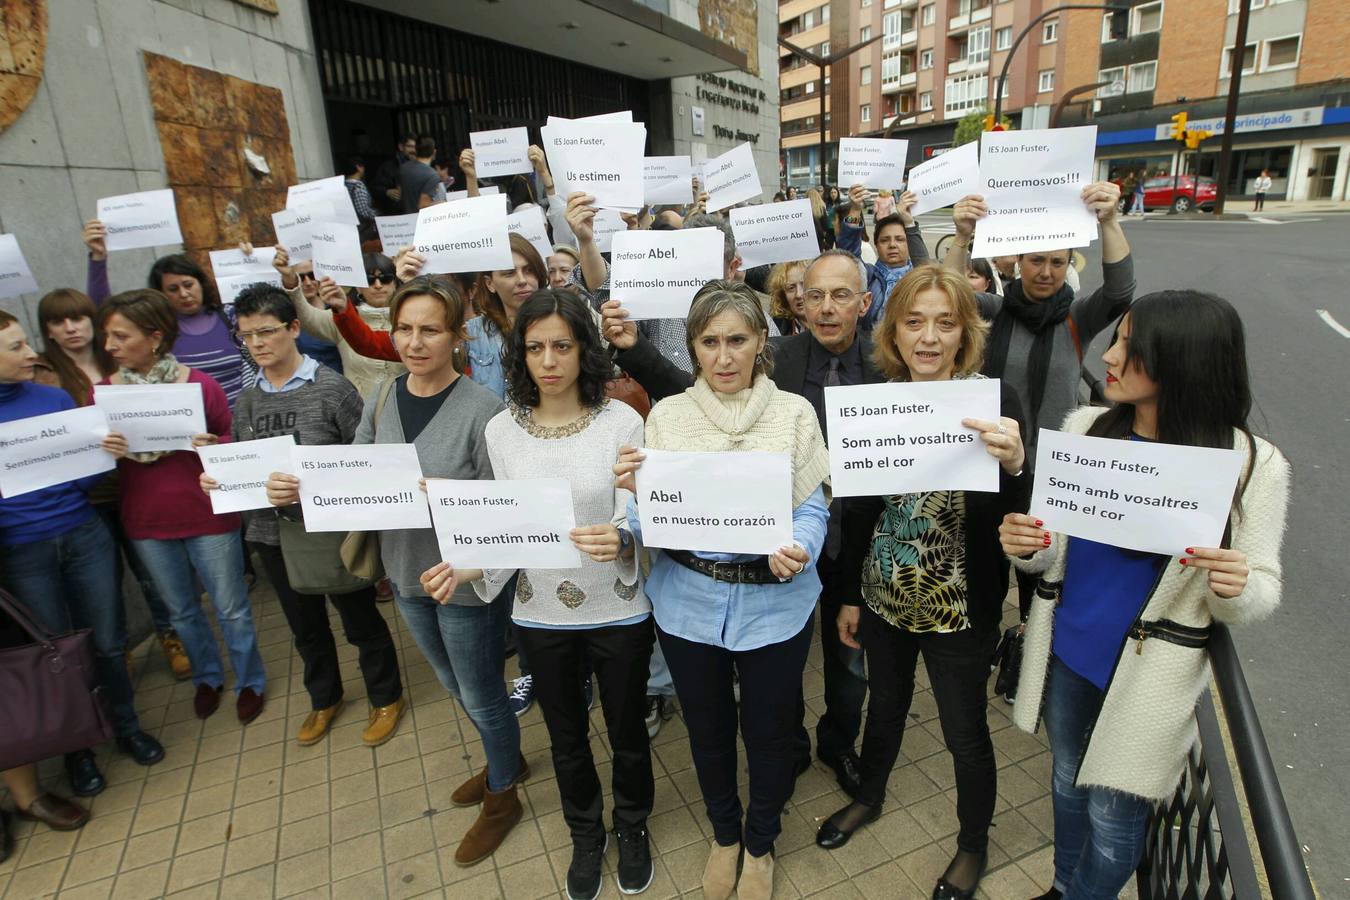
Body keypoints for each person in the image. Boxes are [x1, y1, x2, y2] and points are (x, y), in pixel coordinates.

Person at [1000, 290, 1290, 900]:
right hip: (1070, 654)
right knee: (1066, 785)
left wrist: (1234, 585)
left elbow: (1259, 587)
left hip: (1151, 678)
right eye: (1118, 338)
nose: (1108, 355)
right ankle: (1061, 885)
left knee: (1114, 823)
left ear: (1181, 362)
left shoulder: (1251, 464)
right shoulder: (1087, 427)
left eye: (1131, 345)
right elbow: (1054, 551)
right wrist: (1028, 545)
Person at [285, 275, 522, 867]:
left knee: (482, 692)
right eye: (405, 329)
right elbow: (362, 465)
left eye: (430, 330)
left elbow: (498, 506)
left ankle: (504, 795)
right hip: (404, 568)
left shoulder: (483, 411)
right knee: (448, 682)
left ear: (456, 336)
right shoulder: (386, 395)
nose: (415, 342)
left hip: (459, 579)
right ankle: (504, 761)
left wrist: (443, 495)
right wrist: (300, 483)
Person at [427, 288, 655, 899]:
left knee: (628, 728)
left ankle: (631, 826)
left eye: (562, 345)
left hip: (619, 607)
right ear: (519, 356)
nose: (549, 360)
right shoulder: (503, 431)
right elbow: (507, 525)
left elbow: (638, 509)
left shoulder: (622, 419)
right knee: (565, 735)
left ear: (584, 347)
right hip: (541, 610)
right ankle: (586, 834)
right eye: (535, 348)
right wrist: (468, 569)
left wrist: (625, 535)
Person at [814, 265, 1030, 900]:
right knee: (884, 705)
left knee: (965, 730)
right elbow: (858, 509)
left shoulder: (995, 401)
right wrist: (851, 594)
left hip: (961, 603)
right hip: (885, 592)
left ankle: (972, 845)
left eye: (945, 323)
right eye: (914, 322)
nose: (929, 337)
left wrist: (1016, 462)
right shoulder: (878, 398)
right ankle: (870, 796)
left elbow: (1023, 508)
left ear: (965, 332)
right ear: (895, 332)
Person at [613, 281, 830, 900]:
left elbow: (811, 509)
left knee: (767, 732)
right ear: (693, 348)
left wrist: (802, 548)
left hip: (775, 603)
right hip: (688, 602)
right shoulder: (668, 416)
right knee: (707, 732)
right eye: (710, 342)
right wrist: (624, 517)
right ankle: (725, 835)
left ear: (762, 342)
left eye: (738, 339)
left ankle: (760, 842)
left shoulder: (793, 413)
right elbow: (649, 514)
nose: (725, 355)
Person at [200, 284, 407, 748]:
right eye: (246, 336)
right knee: (304, 627)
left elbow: (365, 460)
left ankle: (386, 695)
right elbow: (243, 464)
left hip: (330, 530)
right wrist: (220, 478)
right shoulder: (248, 399)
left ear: (294, 328)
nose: (257, 344)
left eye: (267, 332)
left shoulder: (331, 388)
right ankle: (324, 698)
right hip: (272, 534)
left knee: (359, 619)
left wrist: (313, 486)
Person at [946, 181, 1133, 627]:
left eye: (1057, 261)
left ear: (1068, 265)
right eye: (1036, 261)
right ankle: (986, 641)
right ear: (1019, 263)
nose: (1046, 271)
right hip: (995, 462)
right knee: (990, 558)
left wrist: (1109, 220)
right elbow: (950, 292)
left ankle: (1030, 651)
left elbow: (1121, 291)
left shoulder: (1078, 317)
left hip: (1055, 469)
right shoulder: (995, 311)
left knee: (1041, 572)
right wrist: (962, 235)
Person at [0, 309, 166, 798]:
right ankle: (78, 750)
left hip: (83, 534)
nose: (31, 353)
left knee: (109, 640)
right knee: (53, 653)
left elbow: (84, 478)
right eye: (15, 348)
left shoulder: (52, 398)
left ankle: (126, 726)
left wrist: (103, 456)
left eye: (26, 343)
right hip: (21, 551)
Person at [97, 290, 267, 724]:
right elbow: (90, 465)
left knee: (231, 608)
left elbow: (235, 436)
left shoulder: (197, 384)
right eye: (107, 336)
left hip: (207, 515)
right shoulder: (103, 394)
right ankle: (207, 678)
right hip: (148, 522)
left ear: (154, 337)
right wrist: (105, 450)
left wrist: (216, 445)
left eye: (120, 336)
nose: (109, 346)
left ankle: (250, 681)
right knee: (182, 611)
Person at [33, 288, 191, 686]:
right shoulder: (44, 374)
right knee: (105, 580)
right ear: (47, 330)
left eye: (78, 318)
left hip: (135, 482)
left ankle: (170, 636)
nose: (70, 328)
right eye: (57, 321)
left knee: (150, 574)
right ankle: (117, 651)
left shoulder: (118, 356)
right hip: (87, 496)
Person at [83, 224, 252, 405]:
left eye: (188, 285)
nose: (184, 294)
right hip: (189, 421)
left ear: (201, 283)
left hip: (242, 422)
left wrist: (251, 262)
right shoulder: (159, 328)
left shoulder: (230, 316)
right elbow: (104, 310)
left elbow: (273, 313)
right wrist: (98, 258)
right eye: (173, 289)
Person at [274, 248, 406, 399]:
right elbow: (307, 317)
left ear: (395, 283)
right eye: (369, 280)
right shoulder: (342, 317)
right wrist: (290, 281)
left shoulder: (412, 319)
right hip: (358, 415)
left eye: (386, 278)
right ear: (358, 287)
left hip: (403, 413)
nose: (377, 285)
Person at [836, 185, 931, 329]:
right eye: (885, 240)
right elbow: (848, 254)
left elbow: (925, 267)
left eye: (899, 239)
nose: (892, 245)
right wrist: (855, 209)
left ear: (908, 242)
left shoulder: (921, 276)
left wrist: (909, 222)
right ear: (876, 245)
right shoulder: (868, 277)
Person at [371, 133, 416, 215]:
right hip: (397, 215)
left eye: (416, 147)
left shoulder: (421, 165)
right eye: (410, 146)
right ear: (401, 147)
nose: (414, 150)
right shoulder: (388, 167)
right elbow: (375, 188)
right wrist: (387, 192)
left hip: (418, 212)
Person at [399, 135, 446, 213]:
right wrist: (445, 203)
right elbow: (423, 205)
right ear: (434, 152)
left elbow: (400, 192)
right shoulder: (432, 175)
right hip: (420, 220)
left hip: (404, 219)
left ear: (415, 150)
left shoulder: (403, 168)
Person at [340, 155, 379, 245]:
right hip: (362, 229)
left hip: (347, 228)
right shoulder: (358, 186)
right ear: (358, 167)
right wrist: (377, 215)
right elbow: (363, 210)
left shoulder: (342, 185)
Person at [766, 260, 809, 335]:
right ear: (783, 295)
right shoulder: (777, 328)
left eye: (804, 285)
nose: (799, 294)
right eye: (791, 288)